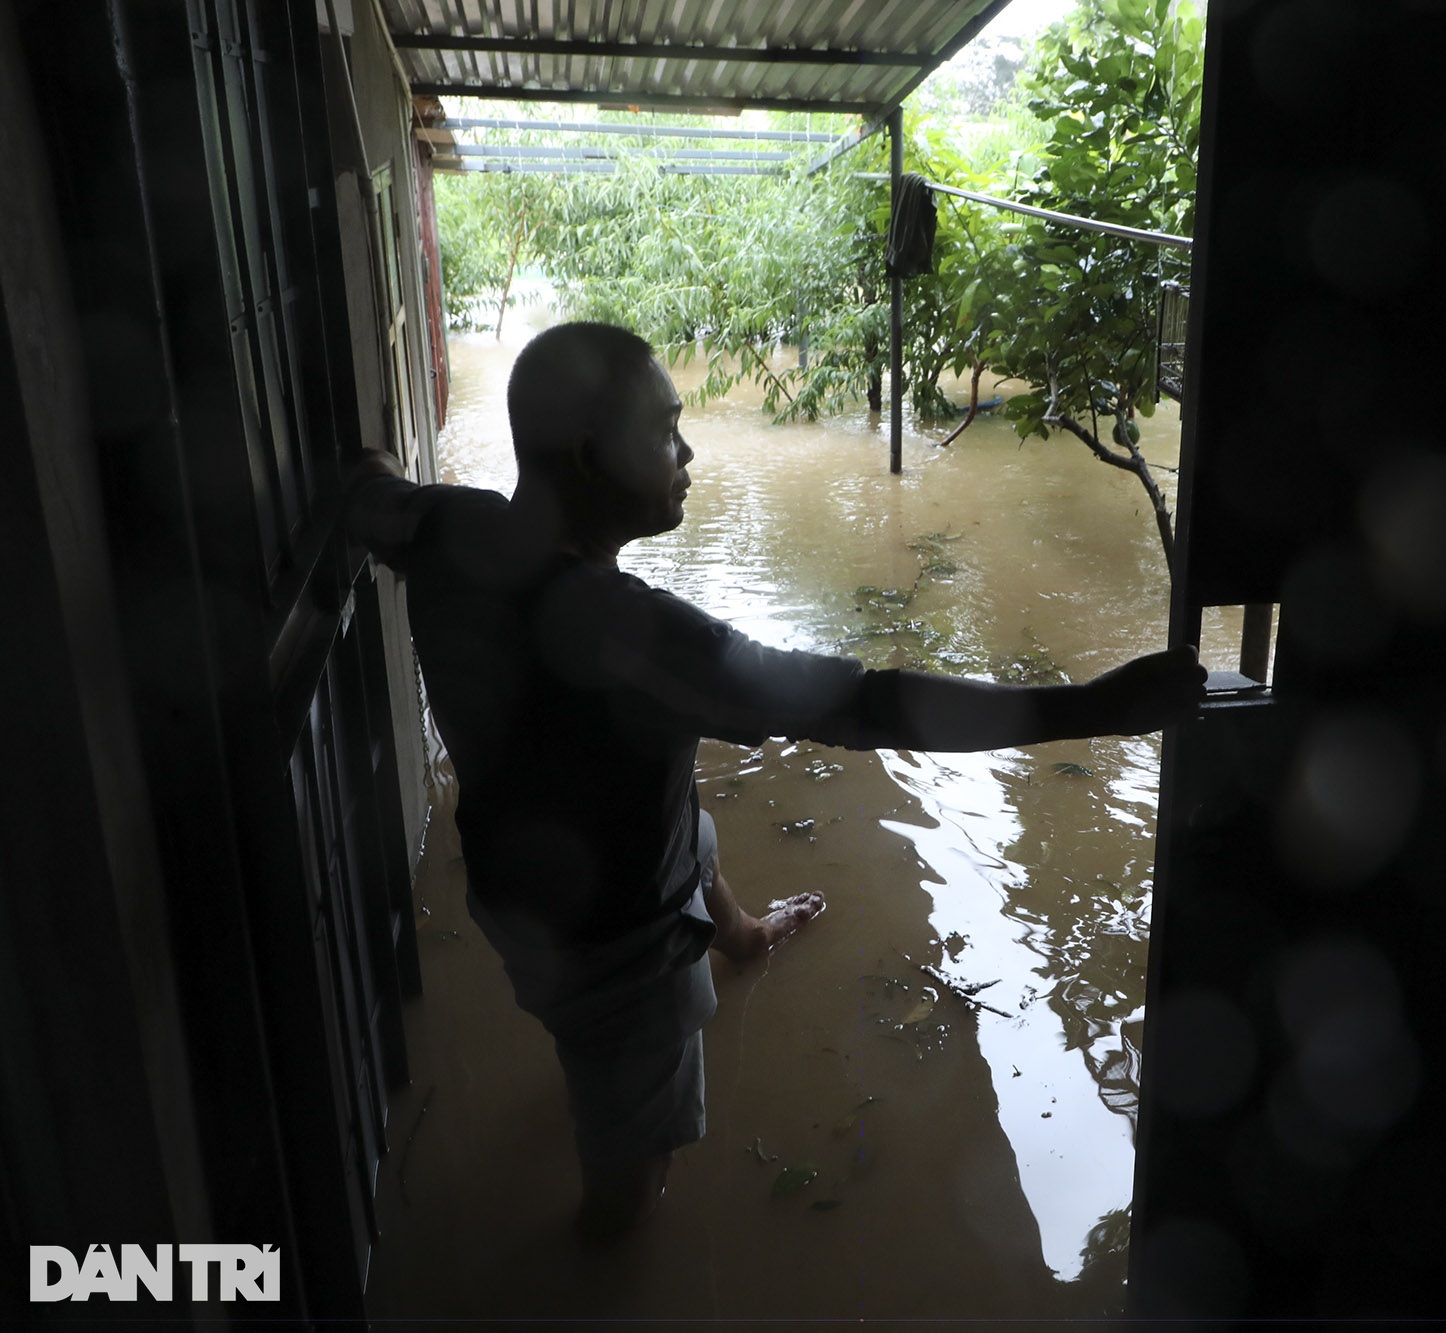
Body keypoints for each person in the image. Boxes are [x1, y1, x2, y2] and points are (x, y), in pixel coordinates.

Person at [345, 321, 1204, 1243]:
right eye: (666, 430)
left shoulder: (448, 529)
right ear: (592, 455)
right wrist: (1087, 709)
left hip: (519, 876)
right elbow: (868, 704)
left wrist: (326, 566)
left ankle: (742, 937)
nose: (686, 453)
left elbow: (362, 484)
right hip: (619, 954)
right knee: (631, 1196)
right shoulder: (640, 638)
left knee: (685, 817)